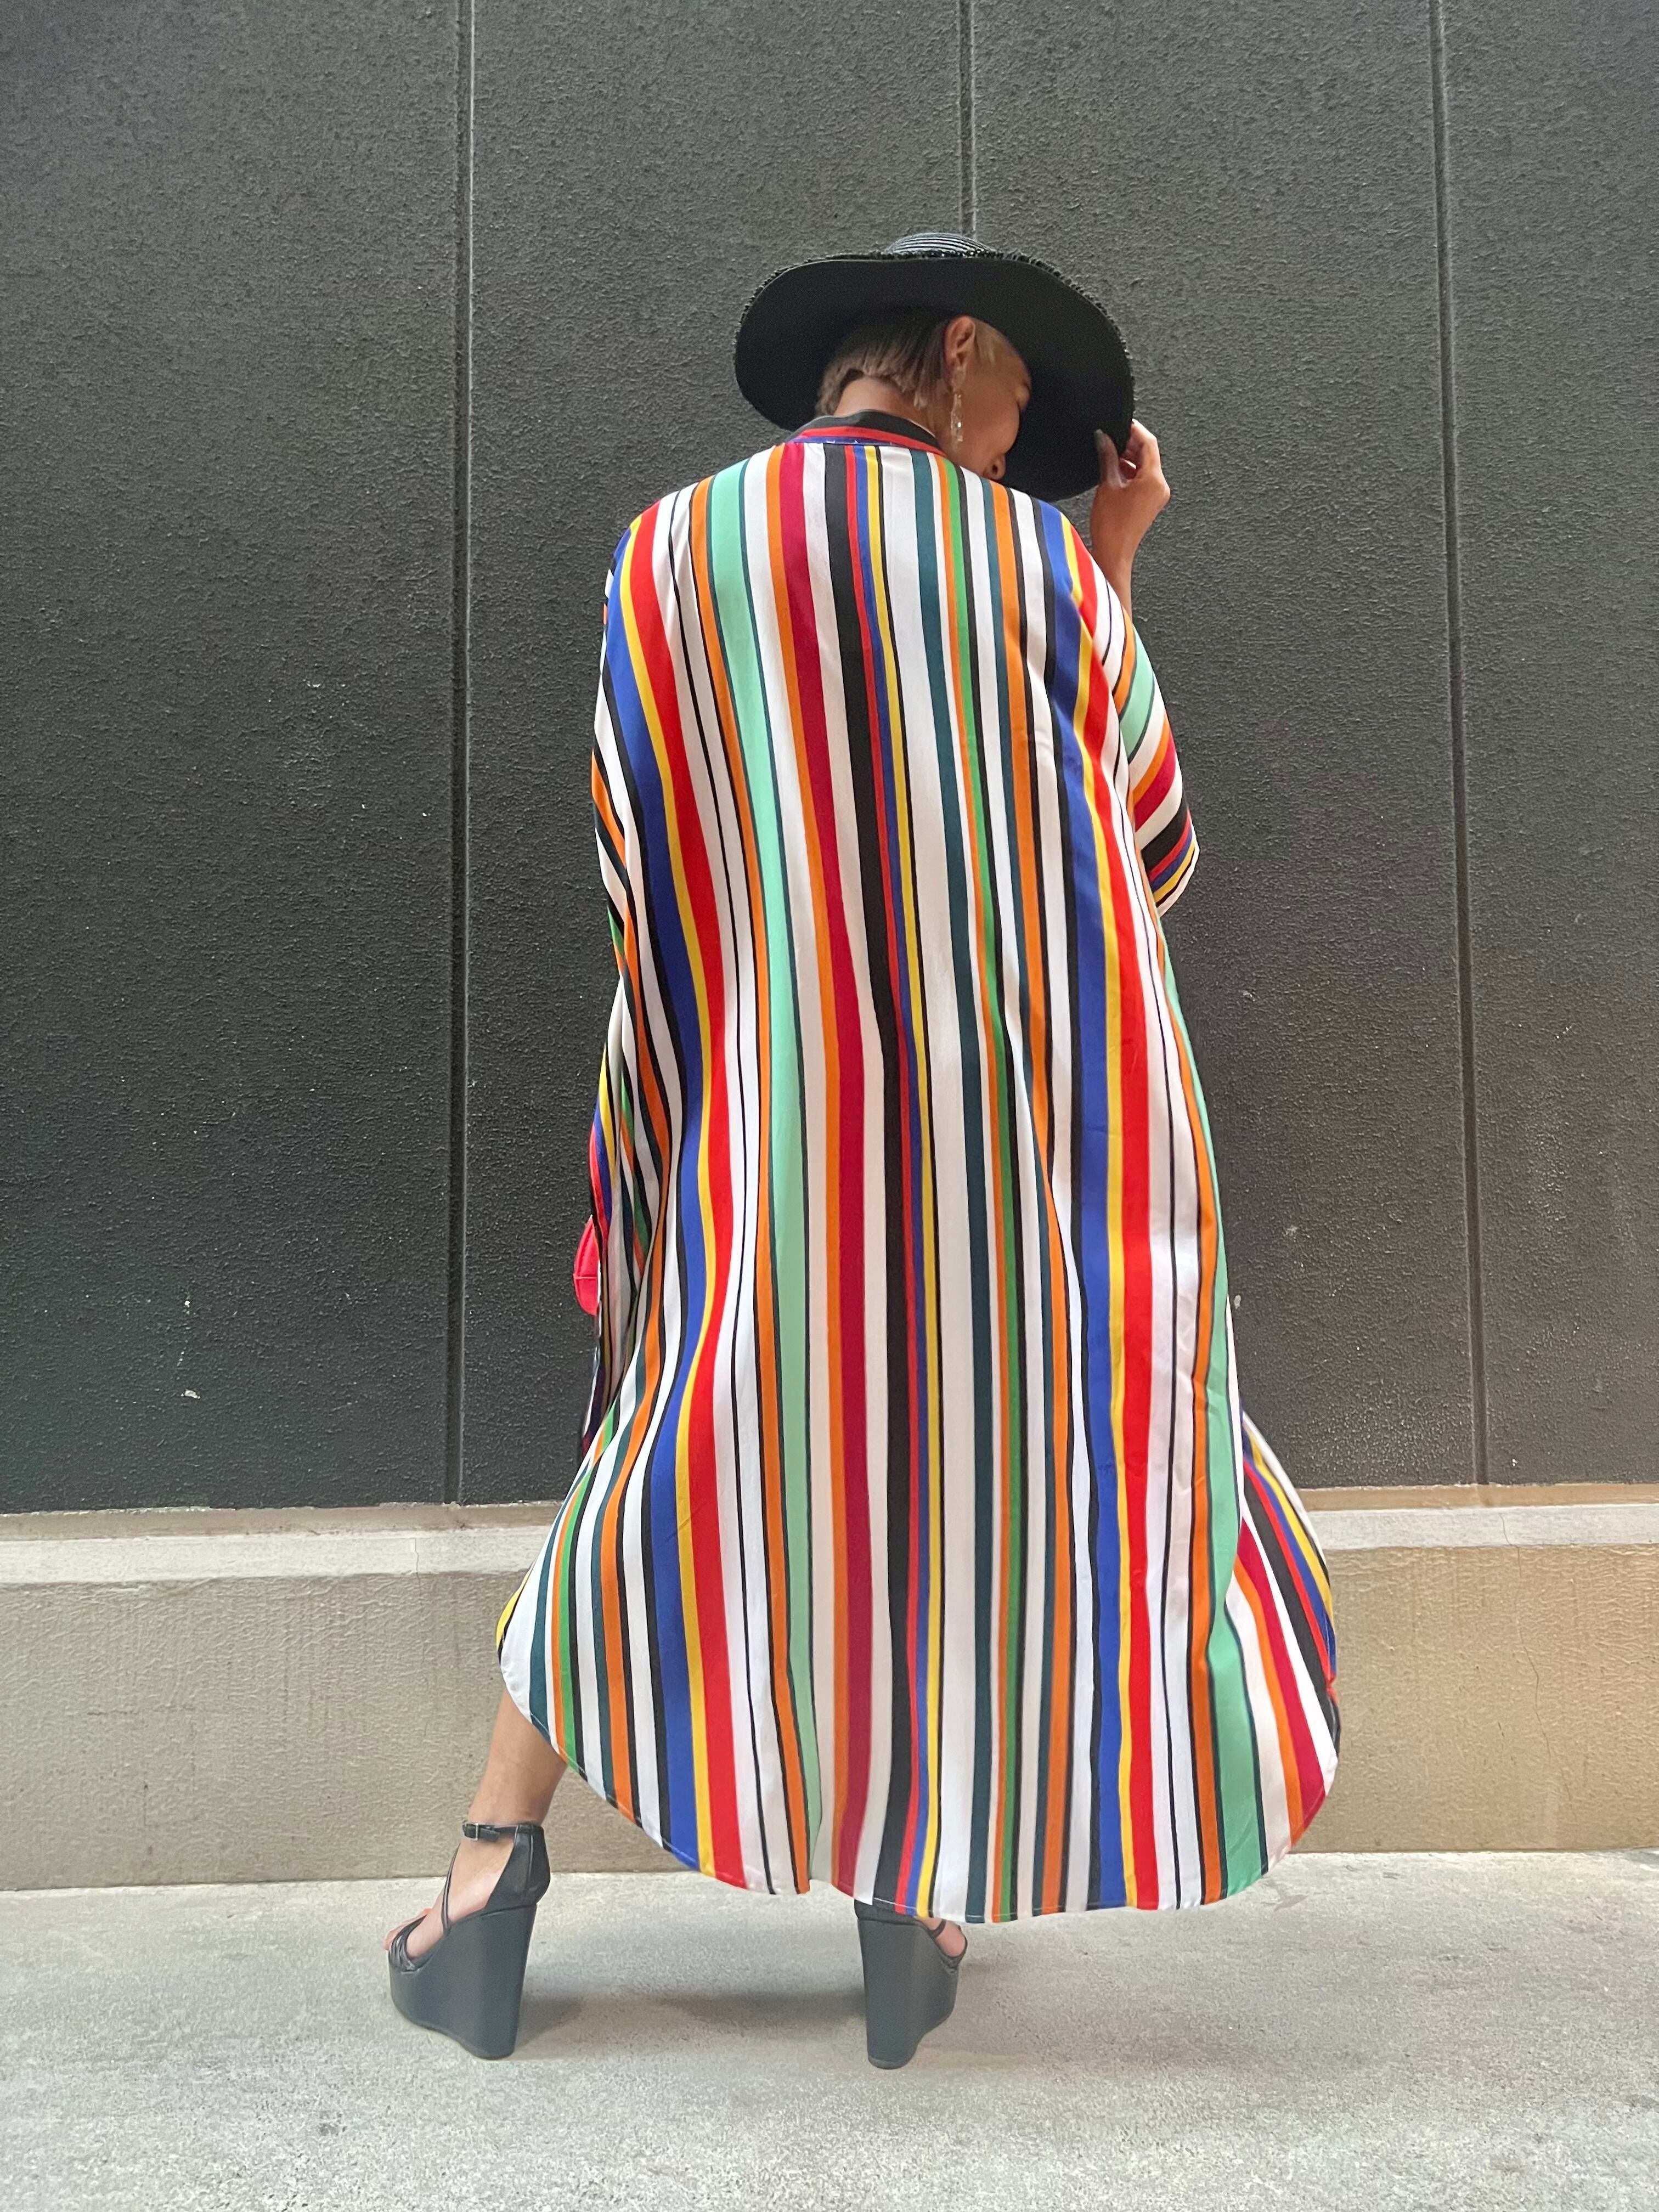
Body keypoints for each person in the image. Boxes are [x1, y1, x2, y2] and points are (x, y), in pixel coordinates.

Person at [386, 231, 1340, 2067]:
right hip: (1013, 1155)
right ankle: (916, 1915)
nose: (1018, 442)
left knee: (671, 1460)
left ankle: (490, 1878)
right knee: (978, 1482)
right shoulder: (1036, 567)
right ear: (958, 351)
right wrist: (1107, 566)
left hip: (770, 1125)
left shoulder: (669, 553)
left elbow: (638, 849)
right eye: (1015, 402)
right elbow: (1146, 852)